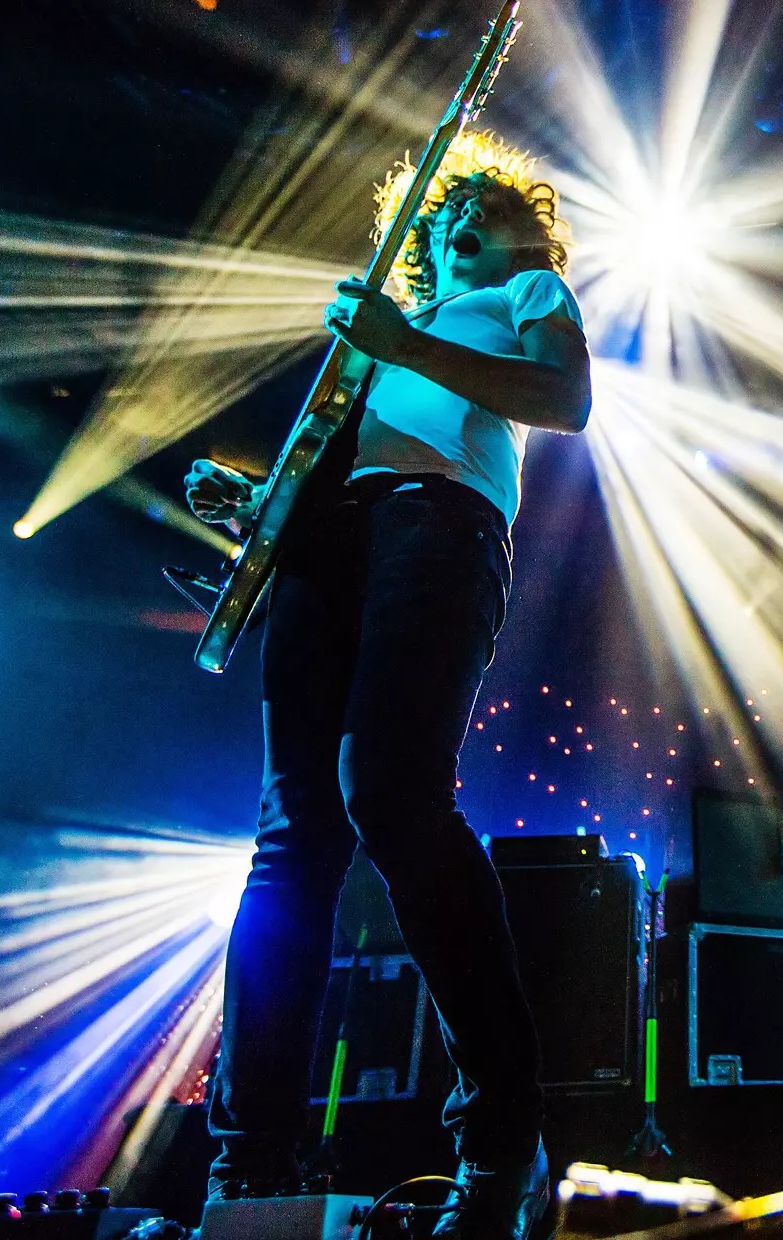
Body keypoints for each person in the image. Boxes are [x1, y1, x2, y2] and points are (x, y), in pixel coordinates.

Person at [184, 142, 590, 1240]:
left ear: (525, 235)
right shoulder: (378, 334)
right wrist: (258, 503)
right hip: (331, 540)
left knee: (393, 795)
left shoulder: (524, 293)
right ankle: (248, 1159)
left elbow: (566, 397)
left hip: (442, 523)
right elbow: (345, 452)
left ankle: (504, 1137)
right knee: (289, 838)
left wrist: (406, 341)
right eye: (449, 213)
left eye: (489, 211)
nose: (464, 223)